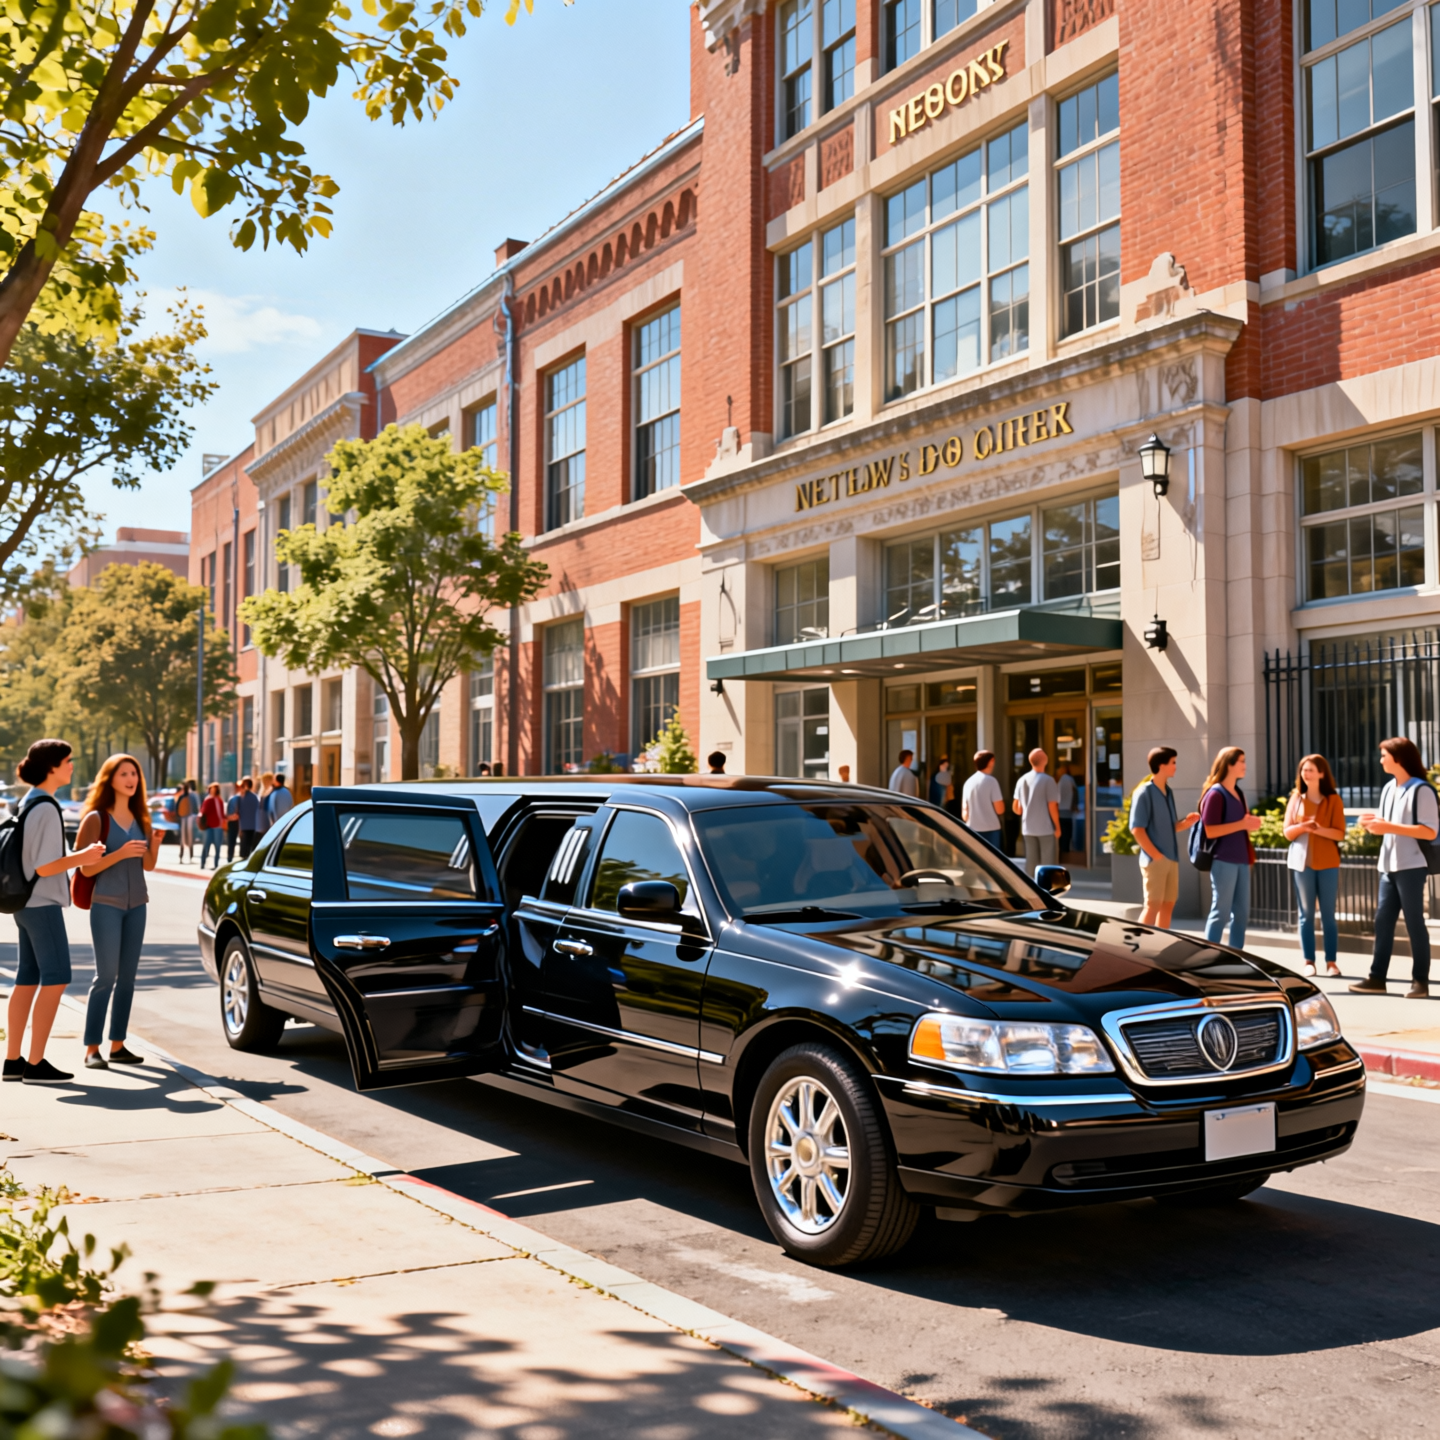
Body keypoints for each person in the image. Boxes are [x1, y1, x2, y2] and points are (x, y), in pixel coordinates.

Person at [3, 740, 106, 1085]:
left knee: (26, 979)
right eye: (67, 761)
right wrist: (84, 856)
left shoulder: (28, 801)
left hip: (23, 903)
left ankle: (13, 1061)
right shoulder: (47, 807)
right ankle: (35, 1065)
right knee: (57, 977)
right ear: (51, 767)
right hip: (42, 904)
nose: (72, 766)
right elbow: (45, 867)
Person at [76, 754, 162, 1070]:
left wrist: (155, 843)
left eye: (134, 774)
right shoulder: (96, 819)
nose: (131, 779)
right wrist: (121, 853)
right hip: (106, 905)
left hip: (137, 905)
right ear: (110, 779)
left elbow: (148, 865)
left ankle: (118, 1045)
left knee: (127, 978)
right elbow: (85, 868)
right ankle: (92, 1049)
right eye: (124, 773)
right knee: (106, 976)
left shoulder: (142, 819)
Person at [1351, 737, 1437, 999]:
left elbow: (1430, 831)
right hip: (1388, 866)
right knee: (1383, 922)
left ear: (1398, 758)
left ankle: (1420, 981)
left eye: (1384, 756)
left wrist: (1387, 826)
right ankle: (1377, 978)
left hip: (1412, 865)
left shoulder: (1421, 790)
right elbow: (1388, 823)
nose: (1380, 761)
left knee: (1414, 922)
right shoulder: (1389, 788)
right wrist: (1372, 822)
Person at [1283, 753, 1346, 978]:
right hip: (1302, 865)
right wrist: (1303, 827)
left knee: (1328, 915)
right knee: (1306, 915)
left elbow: (1339, 833)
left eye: (1310, 769)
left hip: (1328, 863)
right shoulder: (1296, 798)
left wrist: (1318, 829)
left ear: (1321, 773)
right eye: (1303, 770)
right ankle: (1309, 961)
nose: (1306, 773)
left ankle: (1331, 963)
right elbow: (1287, 832)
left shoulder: (1334, 800)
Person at [1198, 746, 1264, 949]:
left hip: (1242, 860)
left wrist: (1249, 824)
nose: (1245, 765)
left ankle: (1236, 956)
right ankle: (1208, 956)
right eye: (1241, 761)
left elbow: (1241, 824)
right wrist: (1242, 824)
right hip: (1223, 860)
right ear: (1229, 764)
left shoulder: (1239, 793)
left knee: (1242, 914)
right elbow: (1210, 830)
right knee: (1221, 912)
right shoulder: (1215, 794)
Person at [1130, 747, 1202, 930]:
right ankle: (1138, 944)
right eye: (1173, 762)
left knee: (1168, 905)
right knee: (1152, 905)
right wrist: (1156, 856)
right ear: (1162, 765)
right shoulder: (1144, 792)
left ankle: (1160, 944)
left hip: (1171, 858)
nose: (1176, 767)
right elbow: (1137, 829)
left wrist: (1186, 823)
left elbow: (1170, 827)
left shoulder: (1168, 792)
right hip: (1156, 860)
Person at [1013, 748, 1061, 869]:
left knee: (1031, 863)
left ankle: (1030, 881)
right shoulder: (1049, 780)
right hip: (1045, 828)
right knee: (1048, 864)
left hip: (1028, 828)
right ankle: (1046, 882)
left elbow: (1017, 808)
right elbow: (1052, 806)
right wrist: (1057, 826)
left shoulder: (1022, 780)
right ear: (1045, 760)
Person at [961, 750, 1005, 850]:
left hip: (972, 829)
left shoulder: (968, 782)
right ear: (991, 761)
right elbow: (1000, 810)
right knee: (992, 858)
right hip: (991, 830)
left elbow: (964, 814)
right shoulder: (992, 781)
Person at [199, 783, 226, 868]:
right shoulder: (208, 800)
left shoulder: (220, 800)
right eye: (211, 789)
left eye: (214, 789)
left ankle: (216, 864)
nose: (213, 791)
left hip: (218, 826)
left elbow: (222, 814)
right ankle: (203, 863)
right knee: (206, 845)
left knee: (218, 847)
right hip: (209, 826)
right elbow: (203, 811)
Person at [235, 776, 262, 857]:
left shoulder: (240, 797)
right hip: (253, 826)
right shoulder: (255, 797)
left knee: (244, 849)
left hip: (244, 826)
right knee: (250, 848)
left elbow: (237, 812)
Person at [176, 778, 198, 863]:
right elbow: (178, 808)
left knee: (190, 839)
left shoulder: (192, 796)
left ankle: (190, 857)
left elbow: (195, 808)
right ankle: (181, 857)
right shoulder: (183, 797)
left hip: (189, 819)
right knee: (183, 839)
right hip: (184, 819)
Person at [1056, 764, 1077, 854]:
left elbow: (1074, 792)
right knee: (1067, 834)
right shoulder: (1068, 779)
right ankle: (1065, 852)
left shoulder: (1061, 780)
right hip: (1067, 810)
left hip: (1061, 810)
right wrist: (1074, 805)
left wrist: (1073, 805)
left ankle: (1063, 853)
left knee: (1063, 834)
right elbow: (1075, 792)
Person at [224, 785, 242, 862]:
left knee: (231, 842)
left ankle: (230, 858)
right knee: (237, 842)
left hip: (233, 823)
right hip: (236, 823)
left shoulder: (232, 799)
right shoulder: (236, 799)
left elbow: (227, 814)